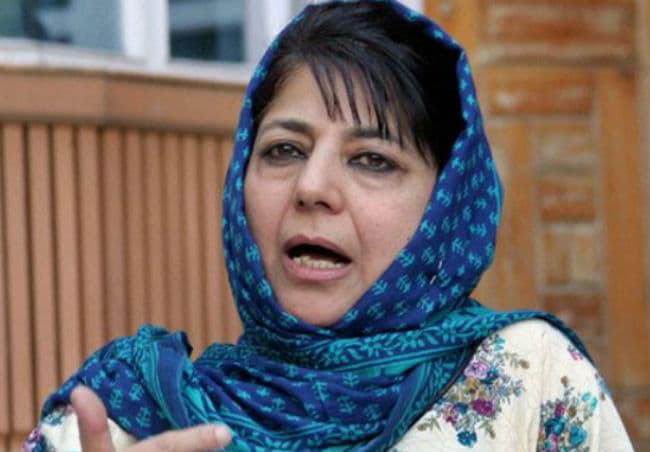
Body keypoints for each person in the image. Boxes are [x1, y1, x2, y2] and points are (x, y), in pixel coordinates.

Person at [25, 1, 633, 451]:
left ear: (445, 208)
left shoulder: (529, 379)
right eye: (284, 150)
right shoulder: (122, 414)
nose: (311, 187)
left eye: (372, 160)